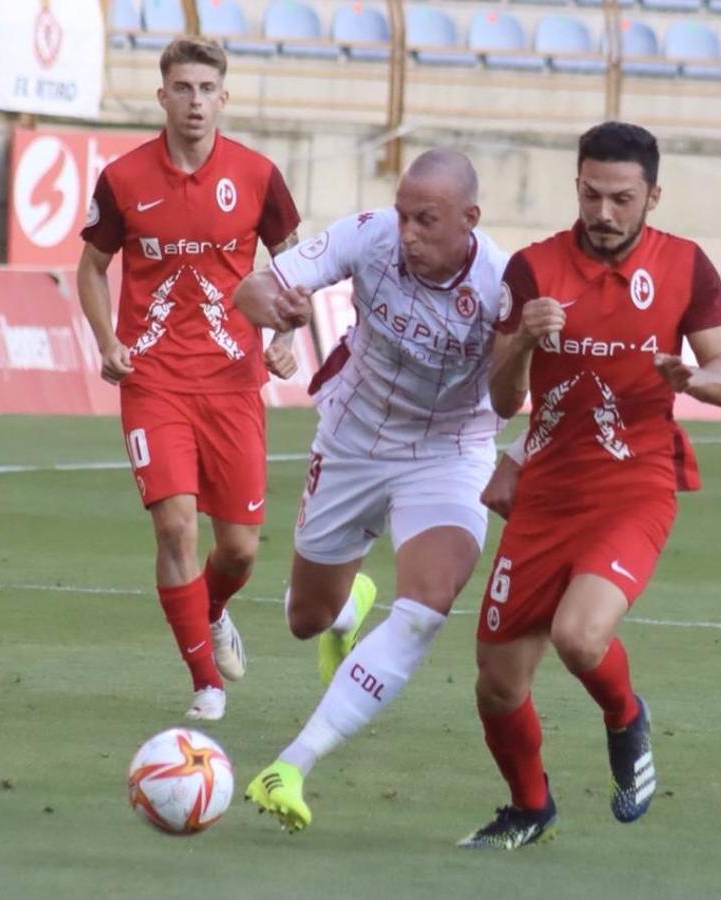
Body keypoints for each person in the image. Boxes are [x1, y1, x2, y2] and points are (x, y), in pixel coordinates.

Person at [458, 121, 721, 849]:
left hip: (634, 485)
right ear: (576, 187)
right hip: (546, 492)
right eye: (591, 195)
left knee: (579, 636)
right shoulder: (532, 269)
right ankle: (529, 808)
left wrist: (692, 380)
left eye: (621, 198)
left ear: (652, 194)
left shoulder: (686, 267)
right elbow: (498, 397)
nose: (604, 213)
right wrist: (521, 337)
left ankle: (624, 718)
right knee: (495, 681)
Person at [234, 149, 509, 832]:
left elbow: (518, 388)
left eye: (428, 219)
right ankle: (347, 609)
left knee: (425, 606)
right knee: (304, 618)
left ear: (468, 220)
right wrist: (280, 307)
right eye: (403, 214)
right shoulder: (369, 236)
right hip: (354, 436)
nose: (409, 232)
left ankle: (289, 766)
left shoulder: (503, 283)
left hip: (450, 449)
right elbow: (252, 289)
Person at [75, 38, 302, 722]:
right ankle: (205, 681)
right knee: (175, 530)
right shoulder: (122, 179)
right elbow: (90, 267)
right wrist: (107, 342)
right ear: (162, 96)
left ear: (222, 97)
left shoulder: (258, 176)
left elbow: (296, 262)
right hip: (153, 382)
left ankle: (213, 610)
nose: (195, 101)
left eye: (207, 88)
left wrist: (287, 334)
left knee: (236, 551)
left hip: (233, 382)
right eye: (183, 88)